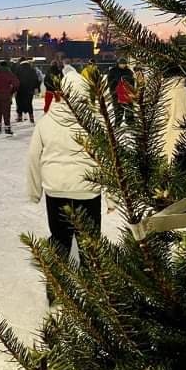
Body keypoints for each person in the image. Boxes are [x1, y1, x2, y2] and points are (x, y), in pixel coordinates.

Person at [26, 68, 112, 305]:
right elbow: (108, 158)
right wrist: (112, 196)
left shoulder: (46, 122)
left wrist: (34, 191)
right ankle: (94, 290)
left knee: (60, 239)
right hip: (87, 191)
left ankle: (55, 287)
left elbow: (33, 157)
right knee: (89, 242)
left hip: (56, 191)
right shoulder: (94, 122)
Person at [0, 61, 20, 135]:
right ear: (7, 66)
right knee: (6, 112)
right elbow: (16, 84)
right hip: (6, 95)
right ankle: (7, 129)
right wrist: (12, 91)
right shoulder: (9, 74)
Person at [107, 58, 135, 127]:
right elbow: (110, 82)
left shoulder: (129, 71)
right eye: (121, 64)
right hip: (116, 94)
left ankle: (130, 123)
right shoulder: (113, 71)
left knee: (129, 109)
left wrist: (131, 90)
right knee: (118, 110)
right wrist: (115, 88)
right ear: (118, 64)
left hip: (127, 93)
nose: (123, 65)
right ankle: (117, 124)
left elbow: (132, 82)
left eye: (124, 64)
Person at [15, 59, 40, 123]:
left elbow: (15, 79)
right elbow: (36, 79)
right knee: (29, 103)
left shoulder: (18, 69)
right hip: (30, 90)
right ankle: (31, 118)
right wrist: (36, 88)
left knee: (19, 103)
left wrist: (15, 89)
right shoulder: (32, 70)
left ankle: (20, 117)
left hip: (20, 90)